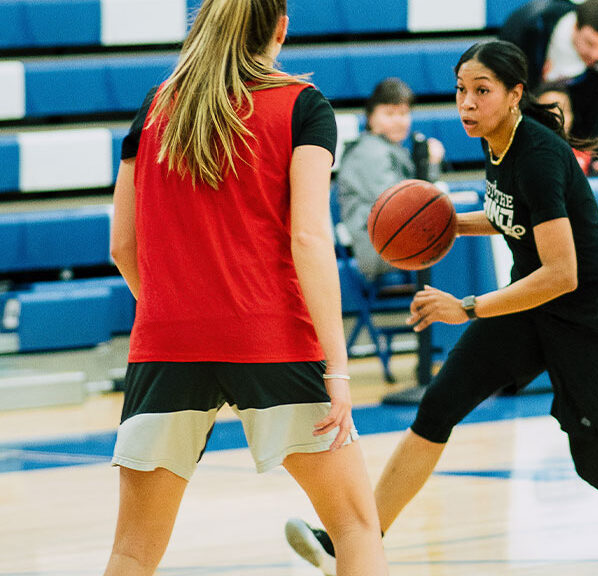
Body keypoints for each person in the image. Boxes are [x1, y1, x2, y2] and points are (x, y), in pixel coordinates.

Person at [285, 40, 598, 576]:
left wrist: (468, 307)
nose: (466, 104)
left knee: (594, 460)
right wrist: (442, 222)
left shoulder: (539, 154)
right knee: (438, 407)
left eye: (481, 91)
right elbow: (510, 216)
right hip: (534, 301)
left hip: (591, 314)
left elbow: (562, 273)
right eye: (460, 91)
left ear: (515, 94)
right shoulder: (496, 142)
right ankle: (359, 542)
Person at [104, 1, 387, 575]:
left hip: (165, 344)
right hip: (273, 337)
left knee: (133, 552)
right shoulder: (303, 106)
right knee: (357, 528)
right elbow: (309, 238)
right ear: (281, 28)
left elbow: (122, 247)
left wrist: (174, 310)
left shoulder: (154, 107)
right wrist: (337, 369)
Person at [499, 0, 598, 156]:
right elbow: (502, 91)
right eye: (590, 43)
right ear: (575, 27)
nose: (596, 54)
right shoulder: (531, 25)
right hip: (522, 132)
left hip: (585, 139)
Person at [338, 78, 445, 281]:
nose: (398, 121)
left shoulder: (387, 147)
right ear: (370, 118)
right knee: (452, 244)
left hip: (393, 239)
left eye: (403, 113)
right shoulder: (370, 153)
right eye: (389, 114)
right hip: (379, 247)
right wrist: (429, 165)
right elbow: (400, 208)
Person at [536, 81, 598, 174]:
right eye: (549, 111)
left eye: (563, 110)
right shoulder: (521, 159)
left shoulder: (587, 160)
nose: (557, 118)